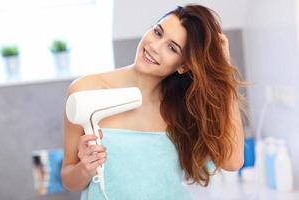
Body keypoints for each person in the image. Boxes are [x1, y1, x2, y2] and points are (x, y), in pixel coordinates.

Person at [61, 4, 245, 200]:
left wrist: (226, 78)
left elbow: (232, 162)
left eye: (172, 48)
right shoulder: (86, 91)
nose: (154, 46)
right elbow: (68, 179)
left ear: (184, 66)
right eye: (157, 32)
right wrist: (85, 168)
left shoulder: (183, 107)